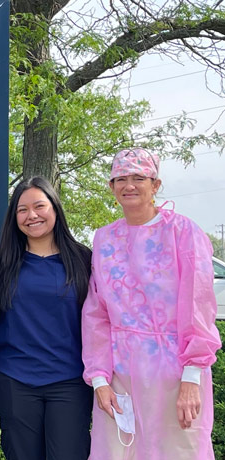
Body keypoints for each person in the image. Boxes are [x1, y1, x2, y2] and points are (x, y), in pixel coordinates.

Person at [82, 148, 221, 459]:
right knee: (119, 451)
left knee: (180, 451)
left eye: (138, 178)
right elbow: (97, 313)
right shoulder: (105, 239)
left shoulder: (183, 233)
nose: (129, 185)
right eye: (121, 179)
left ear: (155, 185)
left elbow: (199, 307)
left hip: (175, 372)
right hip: (121, 373)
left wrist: (191, 378)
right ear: (111, 187)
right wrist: (100, 379)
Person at [0, 176, 93, 460]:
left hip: (70, 382)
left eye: (39, 206)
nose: (31, 215)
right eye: (22, 210)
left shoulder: (84, 260)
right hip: (16, 380)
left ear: (55, 208)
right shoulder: (1, 263)